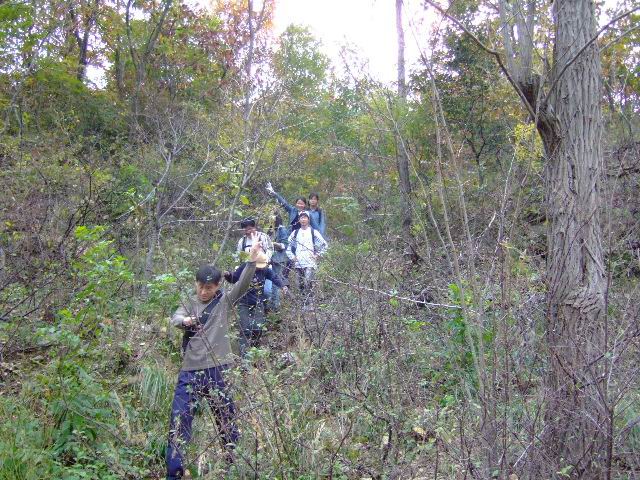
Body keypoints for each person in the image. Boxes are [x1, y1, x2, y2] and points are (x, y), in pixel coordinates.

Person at [166, 235, 262, 479]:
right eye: (200, 286)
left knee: (226, 420)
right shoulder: (189, 301)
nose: (203, 291)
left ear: (218, 286)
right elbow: (175, 318)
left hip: (219, 369)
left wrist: (251, 261)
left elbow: (242, 284)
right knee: (179, 421)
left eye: (208, 288)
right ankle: (174, 473)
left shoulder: (224, 301)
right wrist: (185, 321)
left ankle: (233, 467)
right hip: (190, 370)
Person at [225, 251, 288, 358]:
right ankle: (244, 355)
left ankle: (255, 351)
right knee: (245, 329)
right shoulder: (245, 267)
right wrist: (228, 275)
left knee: (258, 328)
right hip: (244, 302)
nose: (259, 268)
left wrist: (283, 286)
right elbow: (234, 278)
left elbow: (275, 277)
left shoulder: (265, 270)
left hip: (258, 302)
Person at [285, 211, 327, 302]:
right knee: (299, 284)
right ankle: (303, 302)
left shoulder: (313, 232)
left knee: (308, 281)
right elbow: (288, 246)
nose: (303, 219)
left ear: (308, 219)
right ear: (299, 220)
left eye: (305, 217)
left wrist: (317, 255)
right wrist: (292, 257)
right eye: (301, 218)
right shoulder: (295, 233)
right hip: (298, 262)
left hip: (310, 262)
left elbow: (324, 245)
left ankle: (310, 302)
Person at [268, 214, 290, 310]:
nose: (271, 220)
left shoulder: (282, 229)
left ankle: (275, 305)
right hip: (268, 258)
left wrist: (276, 244)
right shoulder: (269, 229)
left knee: (275, 281)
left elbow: (285, 245)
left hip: (278, 259)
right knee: (269, 281)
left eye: (273, 218)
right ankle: (271, 302)